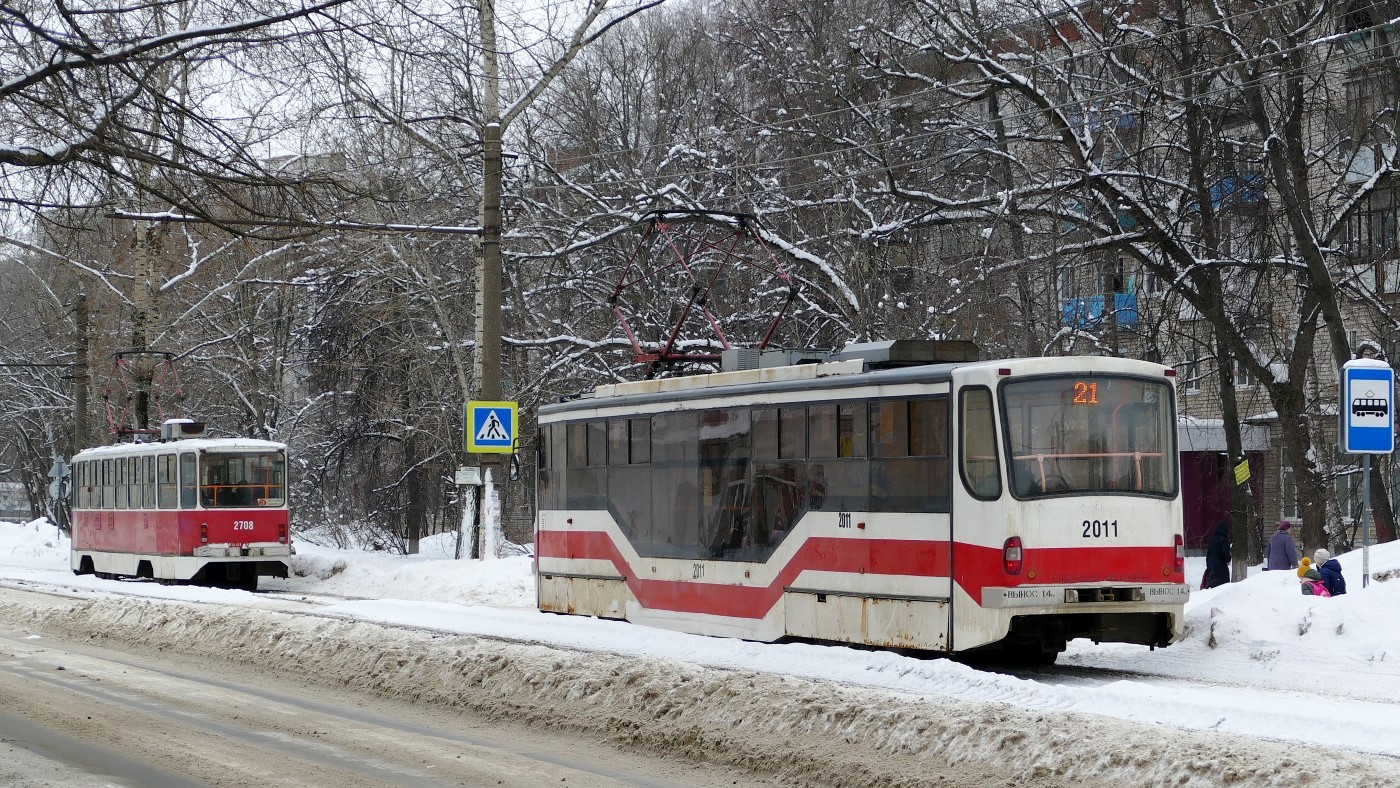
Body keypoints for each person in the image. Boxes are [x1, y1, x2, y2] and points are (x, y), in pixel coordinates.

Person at [1204, 520, 1231, 588]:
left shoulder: (1212, 539)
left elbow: (1208, 553)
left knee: (1212, 586)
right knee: (1223, 587)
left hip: (1211, 566)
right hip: (1221, 568)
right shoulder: (1224, 540)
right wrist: (1229, 558)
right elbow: (1225, 554)